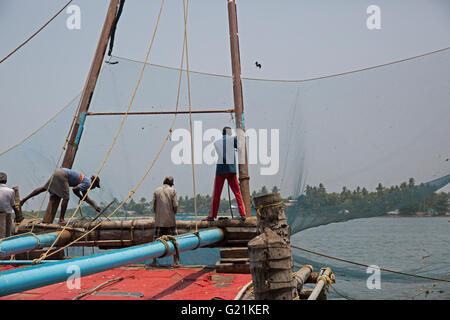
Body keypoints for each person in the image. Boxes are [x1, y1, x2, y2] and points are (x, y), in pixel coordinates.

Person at [20, 168, 101, 225]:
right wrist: (80, 197)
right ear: (94, 183)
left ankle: (23, 200)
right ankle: (61, 219)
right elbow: (75, 189)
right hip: (63, 175)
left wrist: (95, 206)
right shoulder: (88, 184)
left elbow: (85, 197)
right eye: (95, 186)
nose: (93, 188)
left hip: (58, 171)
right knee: (66, 198)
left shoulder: (86, 181)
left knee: (43, 188)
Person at [203, 127, 246, 221]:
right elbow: (240, 148)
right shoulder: (233, 139)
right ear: (230, 133)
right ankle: (243, 214)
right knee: (237, 193)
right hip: (231, 170)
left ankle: (212, 216)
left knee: (216, 194)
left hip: (220, 170)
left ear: (222, 133)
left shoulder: (216, 142)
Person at [151, 176, 180, 267]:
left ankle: (154, 261)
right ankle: (175, 262)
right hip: (170, 221)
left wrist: (158, 215)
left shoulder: (157, 190)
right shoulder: (173, 191)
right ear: (171, 183)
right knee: (174, 241)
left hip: (159, 221)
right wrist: (173, 213)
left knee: (155, 242)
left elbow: (154, 206)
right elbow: (175, 205)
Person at [0, 172, 21, 238]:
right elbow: (13, 204)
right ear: (6, 181)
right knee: (8, 234)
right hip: (7, 214)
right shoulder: (11, 191)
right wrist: (18, 216)